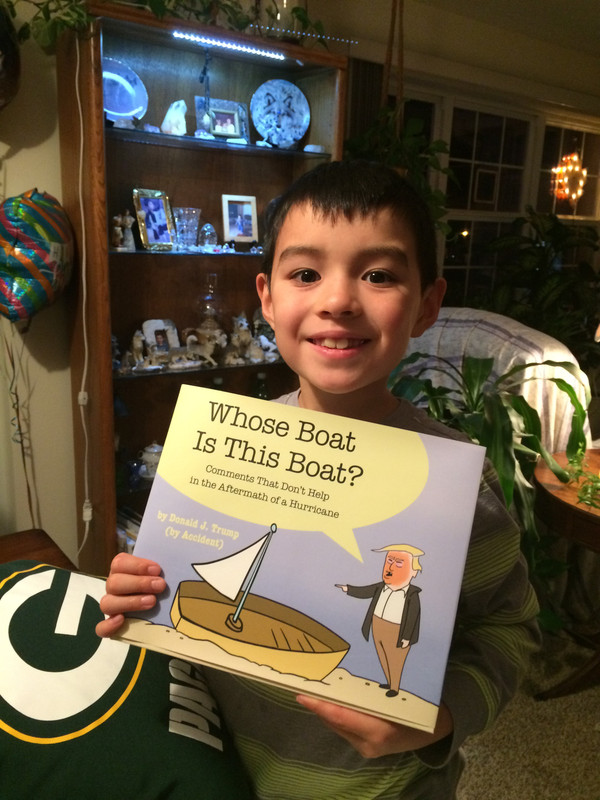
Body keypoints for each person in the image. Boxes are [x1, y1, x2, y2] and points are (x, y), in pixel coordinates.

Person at [97, 159, 540, 800]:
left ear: (427, 305)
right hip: (218, 774)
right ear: (268, 299)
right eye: (306, 274)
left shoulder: (455, 486)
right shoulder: (220, 451)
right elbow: (179, 611)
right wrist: (140, 590)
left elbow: (510, 629)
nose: (337, 300)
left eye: (379, 275)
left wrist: (438, 720)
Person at [337, 544, 424, 698]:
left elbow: (413, 617)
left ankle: (395, 687)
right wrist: (348, 589)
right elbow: (365, 591)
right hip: (378, 625)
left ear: (414, 571)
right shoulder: (381, 587)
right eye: (389, 560)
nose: (391, 567)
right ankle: (390, 682)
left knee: (395, 660)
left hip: (397, 631)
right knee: (383, 656)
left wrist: (407, 637)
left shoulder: (412, 595)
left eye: (399, 563)